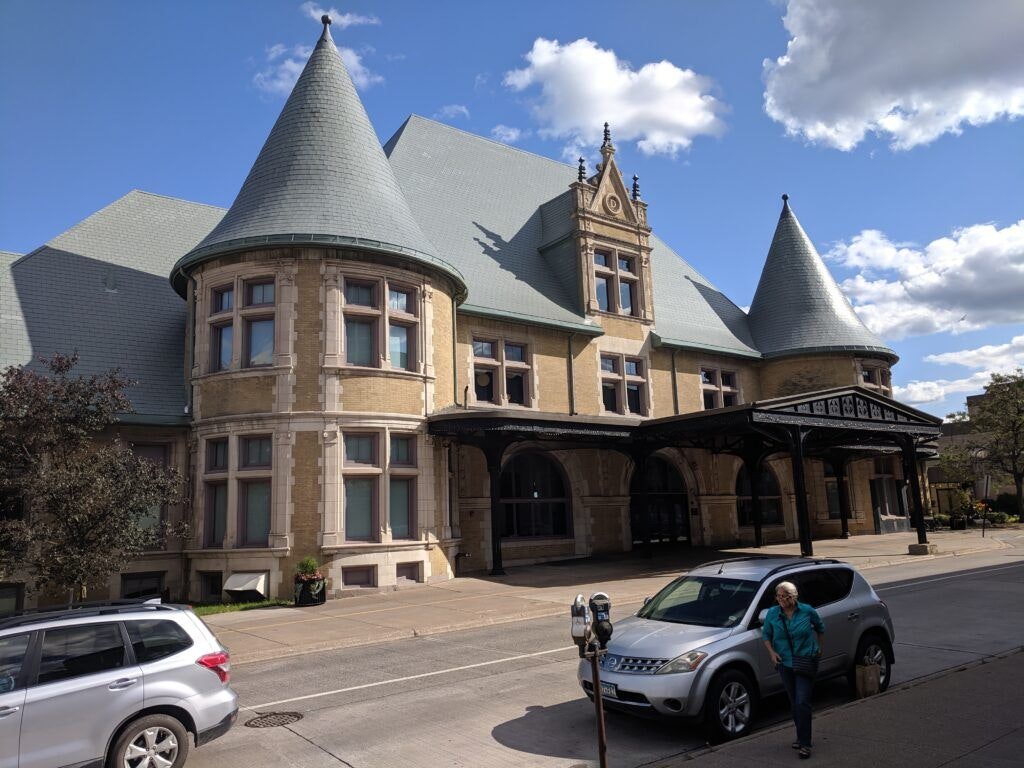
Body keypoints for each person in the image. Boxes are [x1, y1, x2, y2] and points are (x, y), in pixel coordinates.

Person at [762, 581, 824, 759]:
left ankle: (805, 744)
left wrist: (820, 647)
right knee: (794, 701)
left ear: (794, 596)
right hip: (785, 664)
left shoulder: (807, 611)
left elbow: (821, 628)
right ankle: (800, 735)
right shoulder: (773, 614)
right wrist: (772, 653)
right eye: (779, 596)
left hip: (805, 661)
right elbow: (766, 635)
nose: (781, 599)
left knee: (803, 701)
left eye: (785, 596)